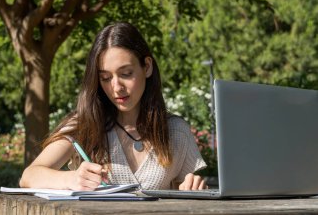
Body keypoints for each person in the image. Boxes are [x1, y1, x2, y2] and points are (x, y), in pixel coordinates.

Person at [19, 22, 207, 191]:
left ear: (147, 67)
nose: (116, 88)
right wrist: (71, 179)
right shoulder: (84, 125)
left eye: (126, 73)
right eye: (106, 78)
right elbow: (29, 176)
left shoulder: (176, 131)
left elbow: (185, 189)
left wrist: (192, 188)